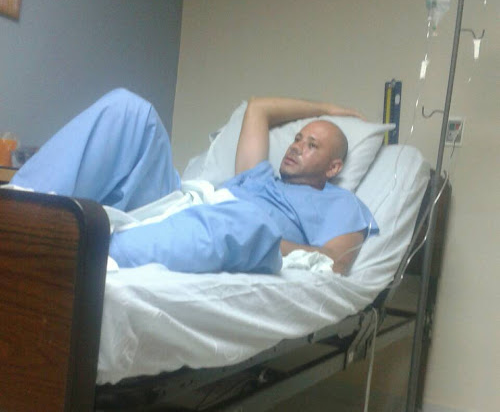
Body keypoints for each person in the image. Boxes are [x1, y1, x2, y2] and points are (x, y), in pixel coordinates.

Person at [9, 89, 377, 275]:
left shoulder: (343, 203)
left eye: (312, 145)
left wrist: (268, 240)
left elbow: (335, 263)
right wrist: (327, 110)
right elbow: (258, 108)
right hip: (182, 201)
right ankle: (14, 217)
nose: (296, 146)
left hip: (228, 229)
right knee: (131, 110)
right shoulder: (259, 175)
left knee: (243, 222)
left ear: (333, 168)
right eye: (297, 138)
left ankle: (71, 256)